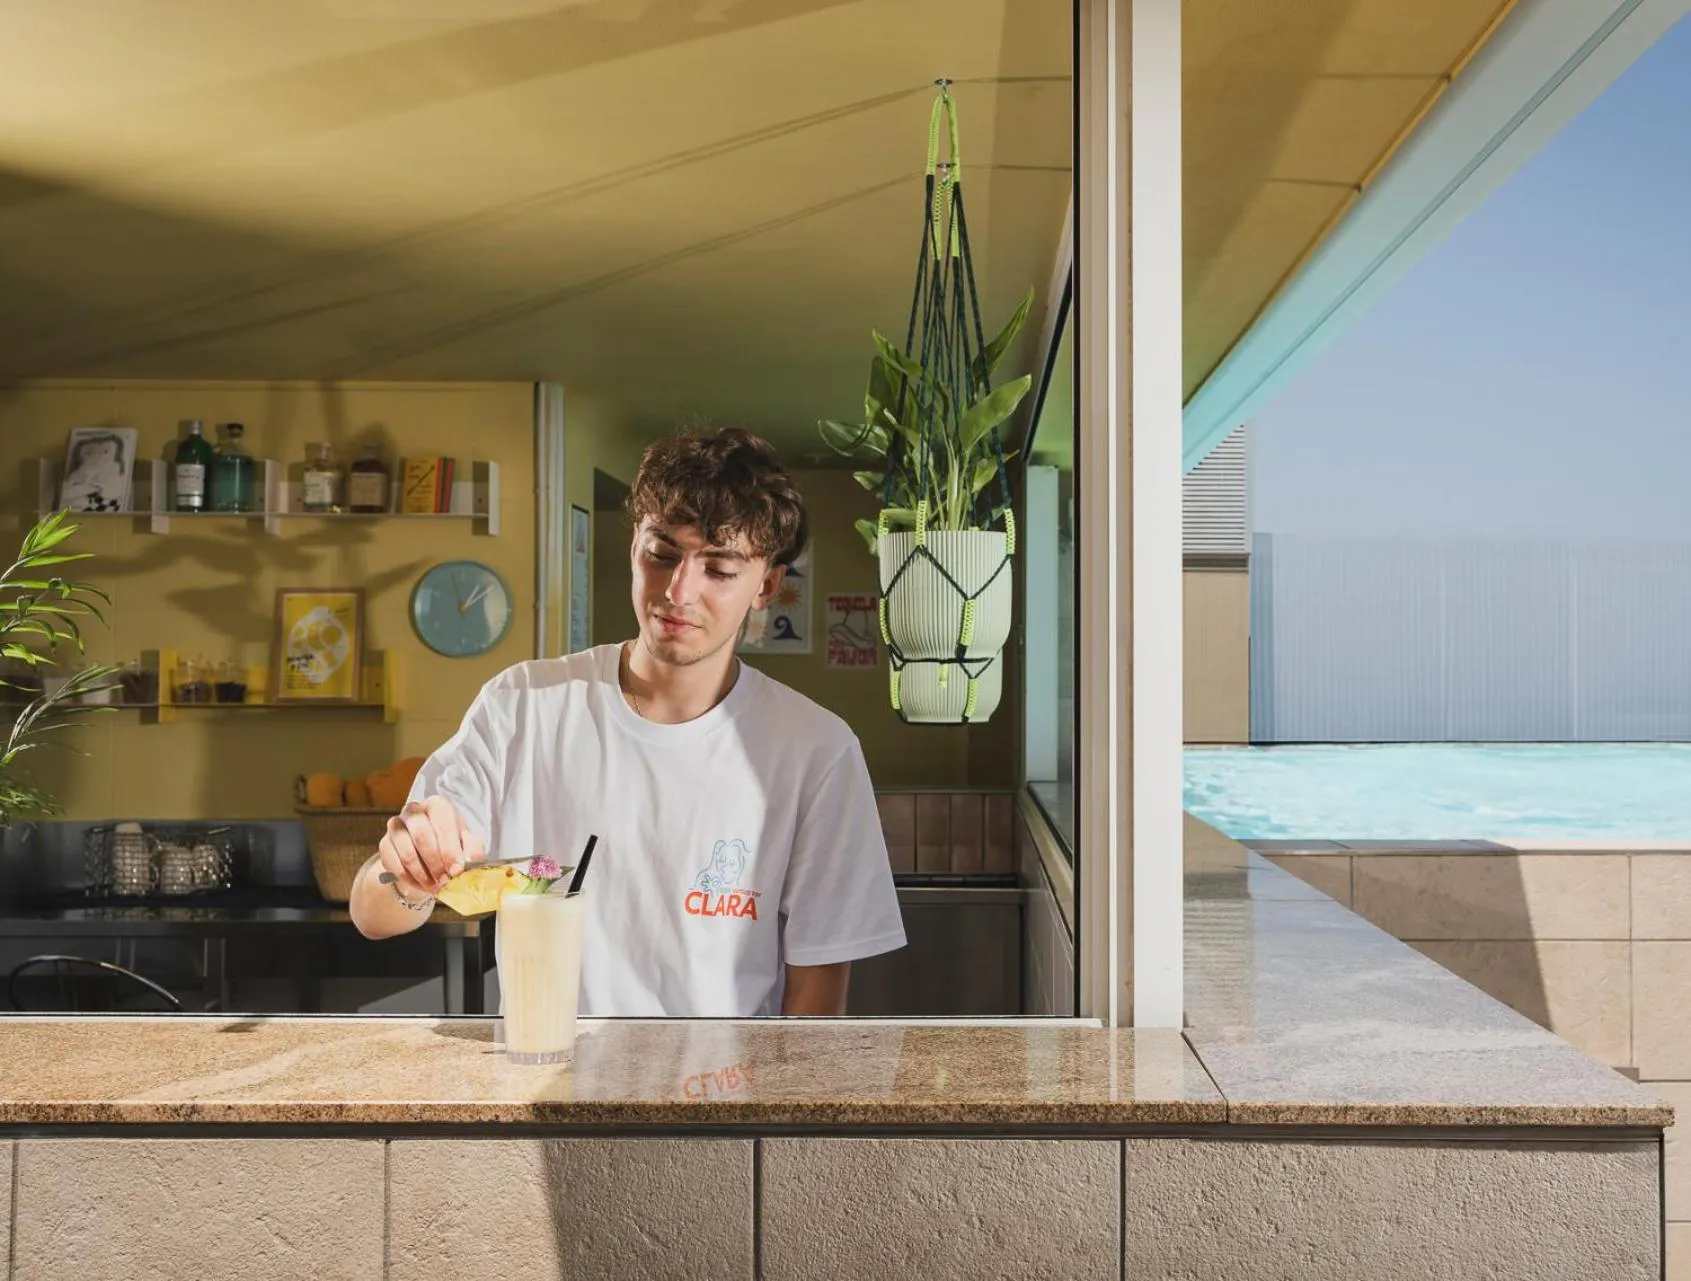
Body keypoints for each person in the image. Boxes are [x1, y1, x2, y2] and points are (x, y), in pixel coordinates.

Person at [349, 426, 906, 1016]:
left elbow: (817, 995)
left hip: (728, 1077)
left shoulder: (815, 748)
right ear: (635, 544)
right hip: (548, 1067)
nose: (678, 591)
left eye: (719, 569)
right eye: (662, 555)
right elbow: (371, 914)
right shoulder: (524, 705)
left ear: (766, 585)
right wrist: (408, 874)